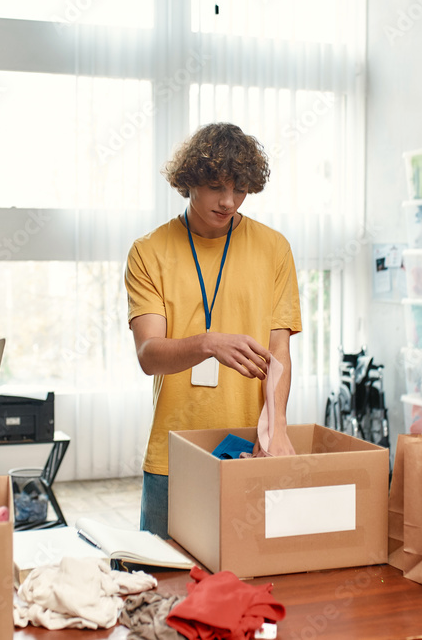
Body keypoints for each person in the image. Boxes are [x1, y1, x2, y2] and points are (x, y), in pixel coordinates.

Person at [125, 122, 302, 538]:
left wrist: (275, 428)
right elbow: (149, 356)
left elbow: (280, 352)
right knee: (163, 585)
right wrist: (207, 343)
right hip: (175, 454)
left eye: (239, 189)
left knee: (249, 581)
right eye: (216, 188)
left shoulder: (273, 247)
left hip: (249, 446)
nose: (228, 202)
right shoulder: (149, 251)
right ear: (189, 182)